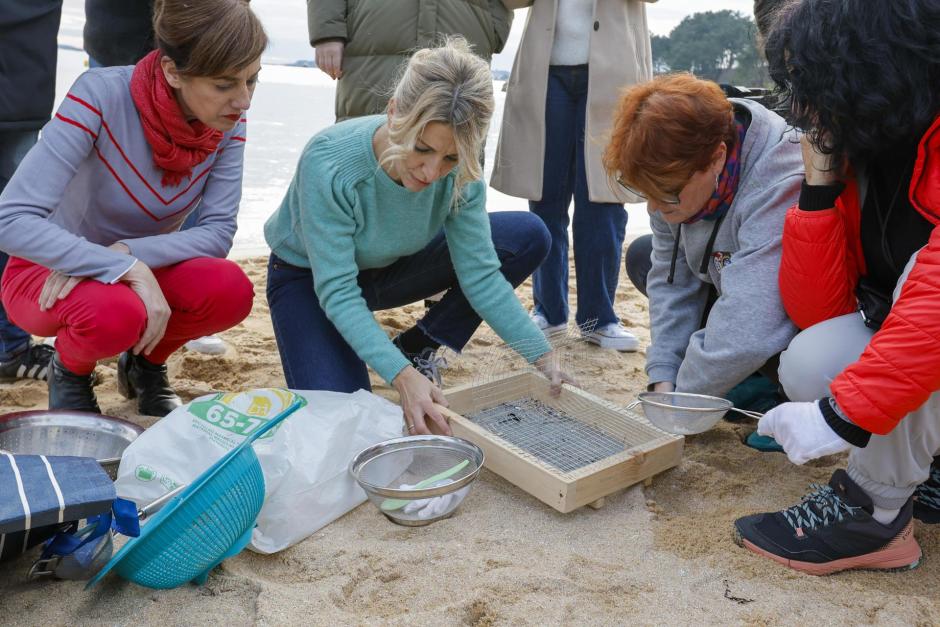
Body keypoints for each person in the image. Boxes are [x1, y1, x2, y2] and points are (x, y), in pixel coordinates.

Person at [265, 37, 572, 436]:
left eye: (448, 158)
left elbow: (481, 277)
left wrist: (545, 358)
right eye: (421, 149)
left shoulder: (461, 169)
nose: (430, 172)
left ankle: (417, 345)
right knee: (344, 418)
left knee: (528, 234)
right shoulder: (330, 161)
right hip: (309, 277)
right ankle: (402, 362)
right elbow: (338, 291)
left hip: (390, 267)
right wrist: (403, 379)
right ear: (394, 113)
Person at [733, 0, 940, 575]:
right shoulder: (869, 137)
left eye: (811, 79)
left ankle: (872, 514)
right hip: (920, 340)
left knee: (915, 282)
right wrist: (820, 188)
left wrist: (839, 418)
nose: (800, 107)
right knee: (809, 362)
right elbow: (819, 312)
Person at [0, 0, 266, 416]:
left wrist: (127, 255)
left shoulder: (227, 122)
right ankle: (69, 371)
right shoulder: (101, 95)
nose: (244, 100)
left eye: (253, 80)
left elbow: (216, 233)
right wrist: (120, 267)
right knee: (114, 311)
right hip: (48, 270)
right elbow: (11, 221)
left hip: (142, 268)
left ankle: (145, 364)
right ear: (172, 71)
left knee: (230, 289)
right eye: (224, 84)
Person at [608, 74, 802, 401]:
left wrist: (680, 400)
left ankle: (775, 388)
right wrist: (664, 375)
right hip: (731, 279)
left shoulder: (778, 178)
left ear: (717, 158)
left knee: (788, 356)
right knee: (643, 256)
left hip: (796, 314)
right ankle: (732, 375)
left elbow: (751, 325)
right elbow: (672, 283)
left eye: (667, 193)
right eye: (646, 192)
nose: (654, 206)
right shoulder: (670, 177)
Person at [490, 0, 656, 351]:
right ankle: (548, 313)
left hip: (616, 75)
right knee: (545, 198)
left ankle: (599, 320)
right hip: (546, 72)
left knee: (604, 199)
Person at [308, 0, 513, 121]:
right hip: (373, 32)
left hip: (465, 28)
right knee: (369, 141)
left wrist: (495, 27)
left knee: (455, 158)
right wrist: (327, 31)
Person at [0, 0, 62, 383]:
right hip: (22, 80)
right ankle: (9, 346)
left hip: (23, 81)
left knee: (15, 219)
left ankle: (10, 344)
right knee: (15, 218)